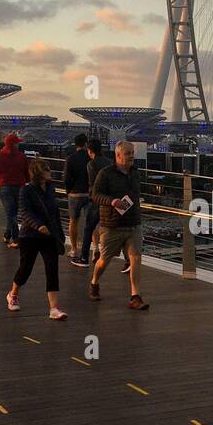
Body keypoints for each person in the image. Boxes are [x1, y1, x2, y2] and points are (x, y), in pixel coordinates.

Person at [89, 139, 149, 309]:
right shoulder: (105, 173)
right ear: (118, 155)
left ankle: (135, 296)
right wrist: (112, 201)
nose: (131, 156)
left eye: (132, 153)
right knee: (104, 260)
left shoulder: (135, 173)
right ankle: (94, 282)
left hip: (133, 224)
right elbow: (95, 195)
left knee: (136, 258)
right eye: (128, 153)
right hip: (112, 225)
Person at [6, 158, 67, 320]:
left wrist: (60, 235)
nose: (50, 172)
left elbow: (54, 213)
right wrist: (39, 225)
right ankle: (13, 294)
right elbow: (24, 212)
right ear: (38, 173)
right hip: (30, 235)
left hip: (49, 236)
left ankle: (54, 308)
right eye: (46, 169)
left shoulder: (50, 189)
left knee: (52, 268)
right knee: (26, 268)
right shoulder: (26, 190)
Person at [0, 132, 30, 248]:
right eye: (17, 143)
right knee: (13, 213)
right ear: (15, 144)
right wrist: (24, 181)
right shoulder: (22, 156)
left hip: (4, 187)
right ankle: (11, 236)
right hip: (20, 187)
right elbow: (28, 174)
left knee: (10, 213)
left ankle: (14, 238)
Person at [74, 137, 110, 267]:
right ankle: (128, 260)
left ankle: (84, 257)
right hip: (109, 200)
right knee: (114, 227)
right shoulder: (109, 162)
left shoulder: (91, 164)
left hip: (96, 200)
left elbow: (92, 183)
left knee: (89, 228)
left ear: (89, 151)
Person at [63, 132, 89, 260]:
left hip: (75, 193)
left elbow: (66, 178)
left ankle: (74, 249)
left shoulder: (71, 158)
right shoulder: (91, 158)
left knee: (73, 221)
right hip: (89, 194)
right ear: (86, 144)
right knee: (92, 223)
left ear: (75, 144)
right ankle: (95, 248)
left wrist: (68, 191)